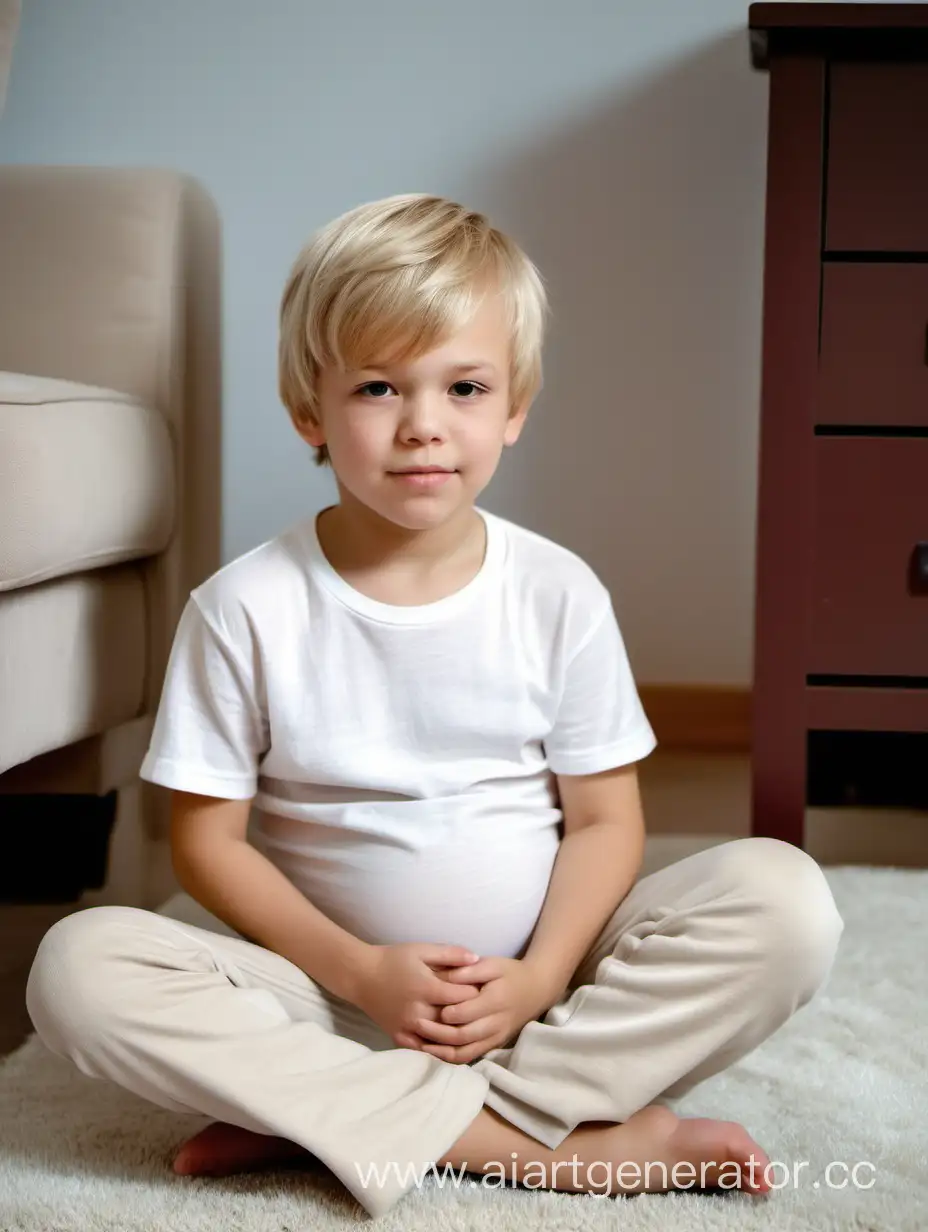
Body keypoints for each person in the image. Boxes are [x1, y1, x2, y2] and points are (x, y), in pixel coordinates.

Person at [24, 193, 844, 1219]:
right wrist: (361, 971)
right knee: (81, 967)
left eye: (463, 386)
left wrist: (542, 974)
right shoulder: (242, 608)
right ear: (309, 410)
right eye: (377, 386)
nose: (423, 424)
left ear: (514, 405)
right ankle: (522, 1141)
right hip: (322, 995)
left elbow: (602, 818)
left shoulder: (557, 592)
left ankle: (336, 1116)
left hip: (541, 997)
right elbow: (206, 845)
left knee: (784, 900)